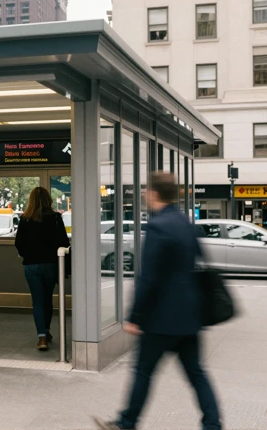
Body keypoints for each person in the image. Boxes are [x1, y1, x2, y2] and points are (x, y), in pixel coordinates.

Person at [95, 172, 221, 430]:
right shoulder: (186, 223)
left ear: (154, 193)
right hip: (190, 316)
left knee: (143, 372)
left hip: (161, 319)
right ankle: (213, 425)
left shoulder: (158, 226)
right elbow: (196, 263)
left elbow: (149, 278)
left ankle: (126, 423)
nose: (144, 194)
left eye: (145, 190)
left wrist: (135, 317)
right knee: (197, 374)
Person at [14, 187, 70, 351]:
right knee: (47, 298)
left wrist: (26, 254)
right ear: (48, 200)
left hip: (31, 265)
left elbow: (19, 243)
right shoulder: (55, 218)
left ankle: (42, 337)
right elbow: (64, 242)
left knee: (37, 301)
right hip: (51, 264)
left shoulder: (25, 219)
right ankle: (46, 330)